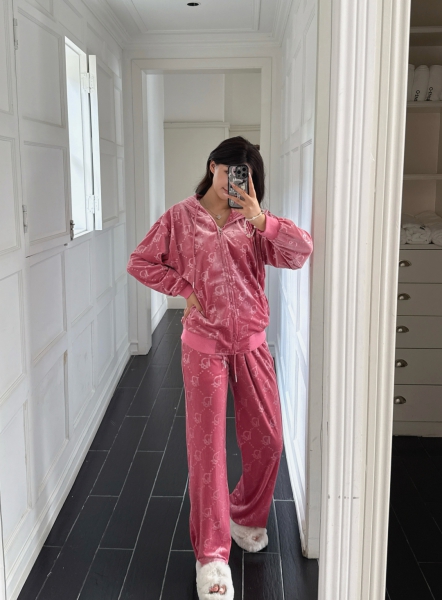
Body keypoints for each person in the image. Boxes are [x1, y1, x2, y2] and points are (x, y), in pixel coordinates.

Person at [127, 137, 313, 599]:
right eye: (231, 171)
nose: (237, 181)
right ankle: (211, 556)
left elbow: (301, 251)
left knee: (269, 439)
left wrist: (261, 219)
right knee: (207, 452)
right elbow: (140, 262)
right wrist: (183, 289)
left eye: (245, 175)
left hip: (251, 344)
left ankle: (244, 516)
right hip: (203, 347)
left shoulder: (253, 222)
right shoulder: (179, 218)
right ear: (213, 166)